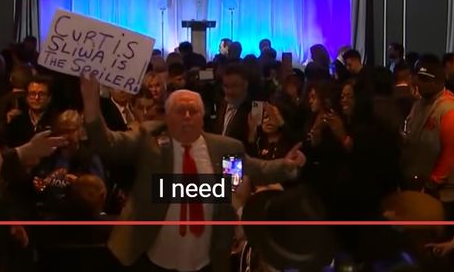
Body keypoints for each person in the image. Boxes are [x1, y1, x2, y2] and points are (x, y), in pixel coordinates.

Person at [79, 72, 305, 272]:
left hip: (204, 259)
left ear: (202, 116)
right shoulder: (149, 140)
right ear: (167, 117)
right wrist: (91, 104)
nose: (187, 116)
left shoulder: (225, 149)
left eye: (193, 111)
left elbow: (257, 169)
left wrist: (289, 165)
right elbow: (108, 144)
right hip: (150, 257)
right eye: (180, 111)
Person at [399, 58, 454, 224]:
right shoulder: (420, 104)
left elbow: (451, 154)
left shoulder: (450, 110)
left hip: (441, 193)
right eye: (418, 78)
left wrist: (431, 184)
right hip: (417, 184)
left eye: (424, 80)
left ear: (438, 82)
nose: (418, 83)